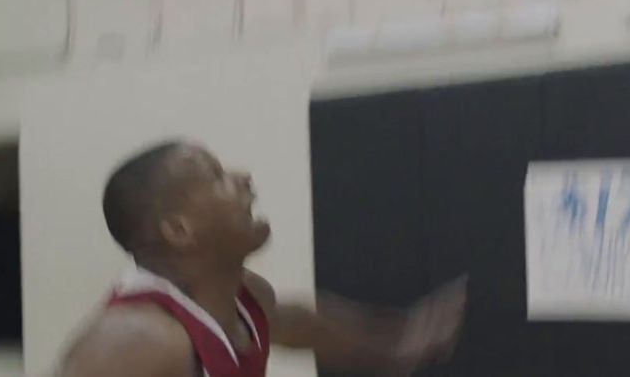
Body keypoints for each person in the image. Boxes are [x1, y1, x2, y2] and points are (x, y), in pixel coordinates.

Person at [59, 140, 467, 377]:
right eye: (216, 176)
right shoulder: (137, 339)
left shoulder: (246, 299)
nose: (243, 179)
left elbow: (303, 324)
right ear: (180, 230)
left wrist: (400, 340)